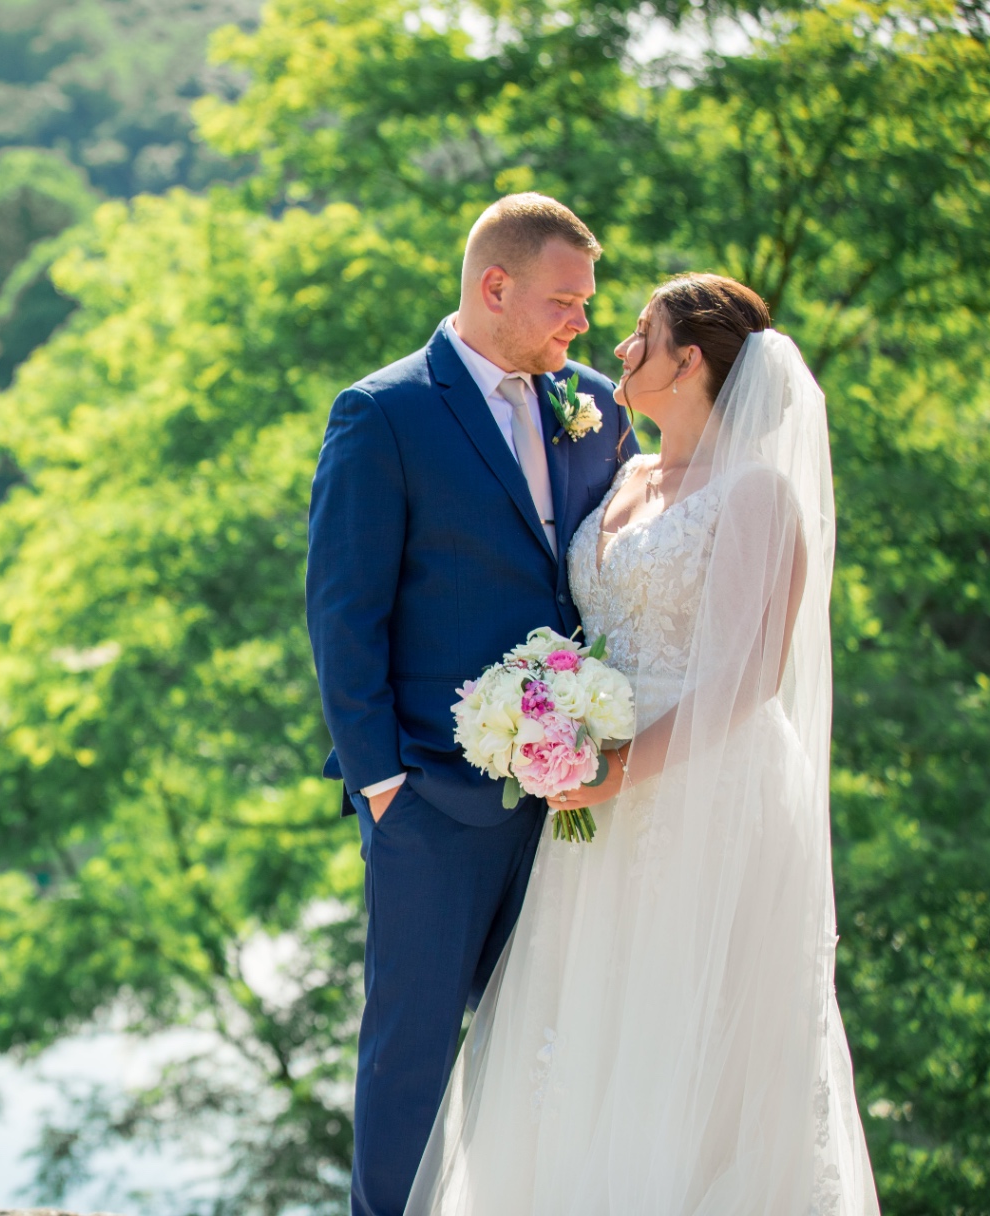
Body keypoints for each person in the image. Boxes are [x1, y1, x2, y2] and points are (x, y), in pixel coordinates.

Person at [405, 275, 879, 1214]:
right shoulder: (625, 472)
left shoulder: (755, 495)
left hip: (705, 791)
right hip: (597, 795)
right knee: (587, 1024)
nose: (619, 349)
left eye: (640, 335)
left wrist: (624, 767)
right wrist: (551, 726)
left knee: (692, 1032)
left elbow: (746, 678)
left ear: (688, 360)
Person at [305, 192, 636, 1216]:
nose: (582, 323)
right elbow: (343, 611)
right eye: (563, 301)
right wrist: (384, 783)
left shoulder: (590, 403)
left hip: (573, 802)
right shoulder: (384, 411)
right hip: (430, 805)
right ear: (495, 287)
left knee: (548, 1046)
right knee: (410, 1054)